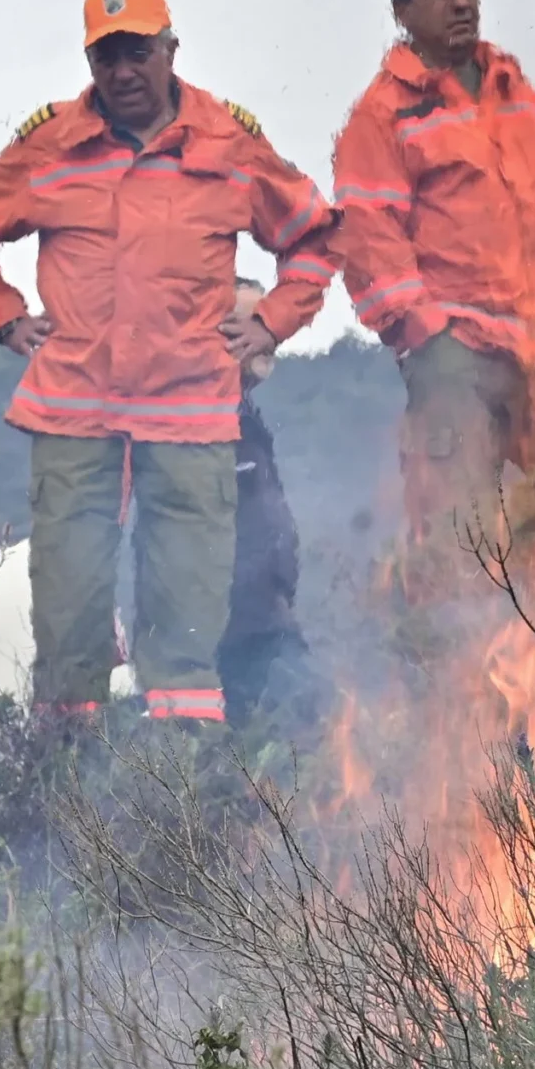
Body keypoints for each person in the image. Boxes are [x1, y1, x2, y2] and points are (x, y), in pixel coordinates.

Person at [0, 0, 338, 729]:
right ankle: (68, 772)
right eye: (106, 56)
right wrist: (4, 317)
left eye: (138, 53)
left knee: (186, 622)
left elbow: (313, 234)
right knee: (68, 610)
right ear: (90, 61)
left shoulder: (229, 141)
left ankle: (181, 779)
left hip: (190, 416)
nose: (122, 71)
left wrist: (272, 323)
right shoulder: (50, 143)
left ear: (170, 51)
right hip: (74, 412)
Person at [335, 0, 535, 607]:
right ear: (403, 10)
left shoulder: (516, 94)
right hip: (459, 357)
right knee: (458, 541)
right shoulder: (381, 115)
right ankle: (454, 669)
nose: (461, 1)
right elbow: (368, 238)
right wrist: (431, 341)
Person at [214, 281, 315, 734]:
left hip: (267, 620)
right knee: (310, 719)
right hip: (240, 631)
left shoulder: (245, 416)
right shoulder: (209, 422)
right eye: (251, 322)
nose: (266, 336)